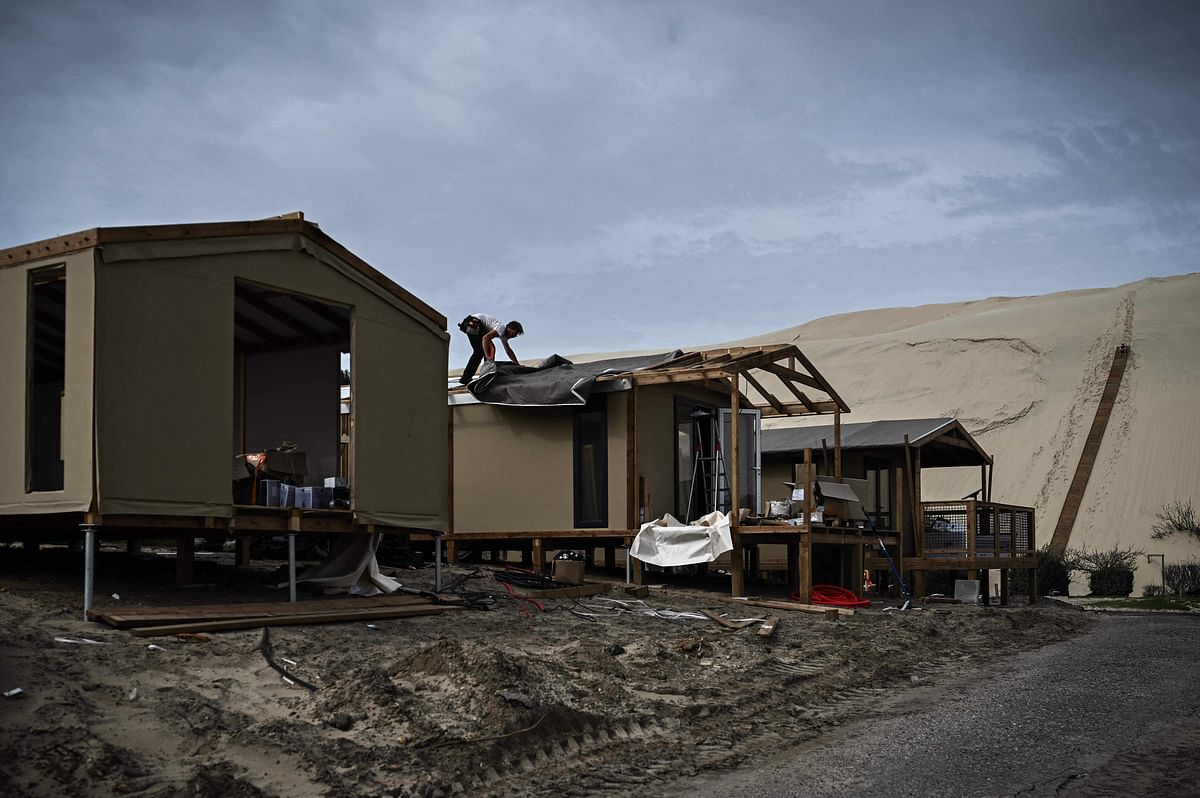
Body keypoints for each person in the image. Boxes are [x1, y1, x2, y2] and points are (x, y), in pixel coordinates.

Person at [458, 313, 523, 383]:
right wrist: (487, 356)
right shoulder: (501, 328)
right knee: (487, 350)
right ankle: (484, 375)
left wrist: (517, 364)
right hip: (474, 323)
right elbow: (485, 338)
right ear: (509, 328)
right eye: (514, 334)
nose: (513, 336)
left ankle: (473, 376)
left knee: (482, 351)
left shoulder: (503, 335)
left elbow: (508, 351)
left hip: (471, 324)